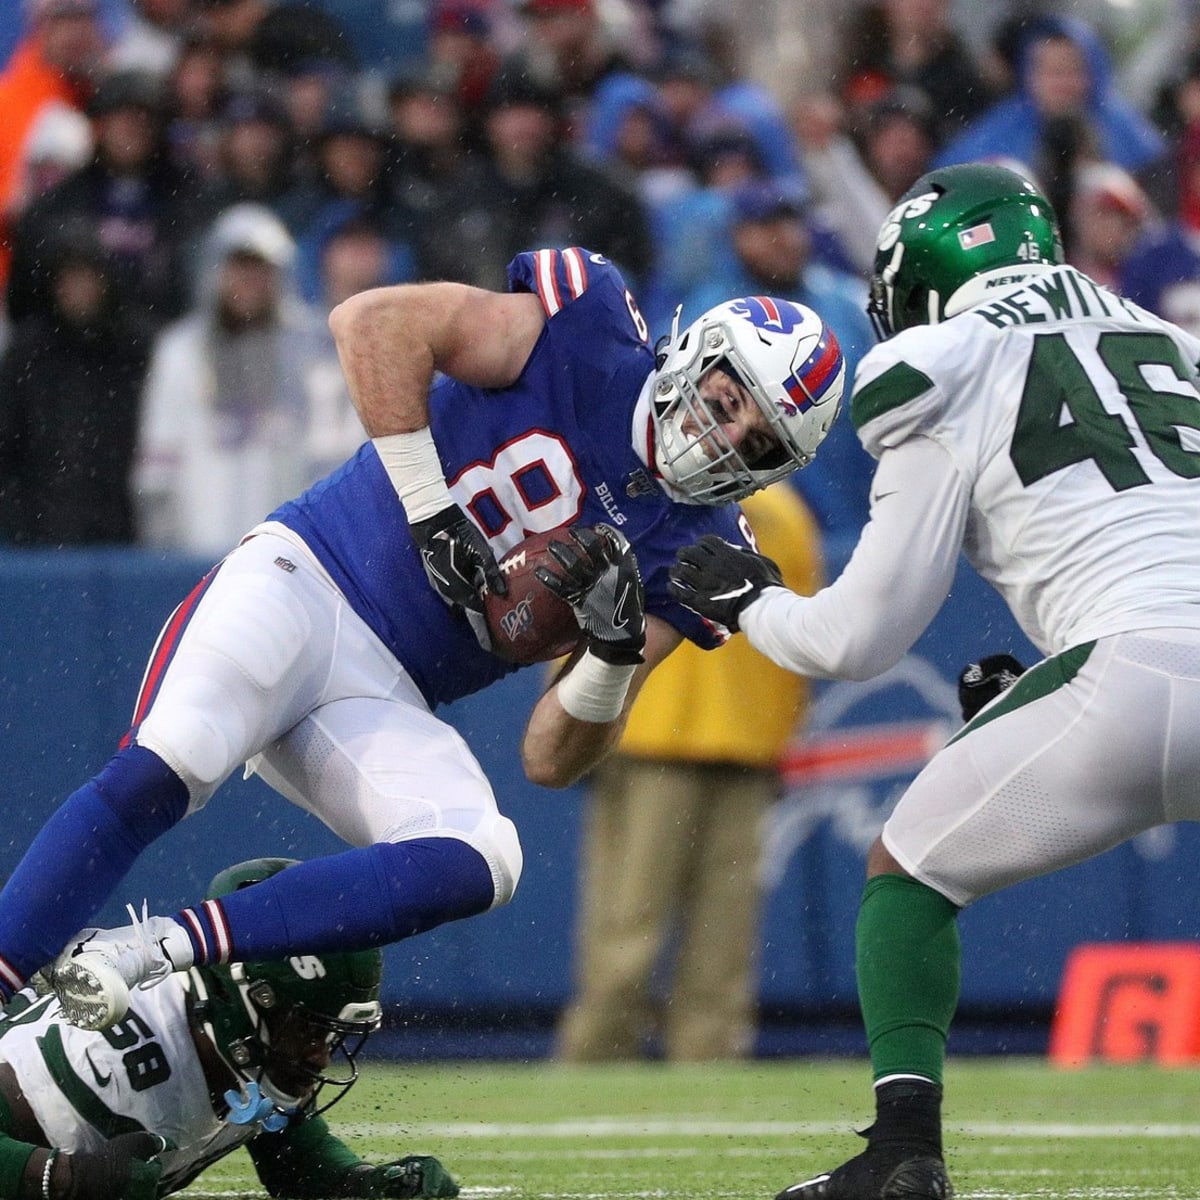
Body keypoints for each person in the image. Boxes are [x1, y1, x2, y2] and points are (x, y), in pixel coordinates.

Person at [0, 246, 845, 1036]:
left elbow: (552, 758)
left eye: (757, 440)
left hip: (387, 691)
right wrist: (431, 508)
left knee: (485, 855)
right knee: (171, 761)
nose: (725, 437)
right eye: (731, 402)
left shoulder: (706, 552)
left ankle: (149, 951)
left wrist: (612, 660)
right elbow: (371, 322)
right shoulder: (583, 329)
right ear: (698, 355)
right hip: (307, 578)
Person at [668, 161, 1200, 1199]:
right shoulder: (1174, 342)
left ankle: (904, 1151)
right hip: (1137, 651)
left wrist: (752, 605)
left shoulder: (936, 358)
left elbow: (859, 640)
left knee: (907, 871)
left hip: (1133, 668)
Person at [1, 857, 460, 1200]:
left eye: (331, 1035)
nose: (321, 1055)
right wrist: (56, 1177)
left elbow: (294, 1161)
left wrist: (370, 1186)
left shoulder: (240, 1047)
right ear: (245, 998)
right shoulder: (111, 1057)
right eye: (307, 1029)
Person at [556, 481, 822, 1062]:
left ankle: (624, 1069)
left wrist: (571, 719)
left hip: (679, 738)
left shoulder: (636, 489)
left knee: (648, 933)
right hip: (680, 740)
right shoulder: (783, 512)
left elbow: (573, 609)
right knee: (694, 946)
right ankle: (627, 1066)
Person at [133, 202, 363, 555]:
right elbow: (158, 467)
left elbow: (334, 457)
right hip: (199, 550)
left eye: (261, 269)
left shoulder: (315, 349)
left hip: (290, 555)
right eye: (239, 268)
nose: (249, 282)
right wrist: (165, 550)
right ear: (214, 272)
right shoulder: (181, 351)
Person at [0, 224, 151, 546]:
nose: (79, 289)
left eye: (87, 276)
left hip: (122, 530)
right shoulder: (27, 354)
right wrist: (19, 519)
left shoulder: (133, 349)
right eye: (69, 278)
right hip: (40, 535)